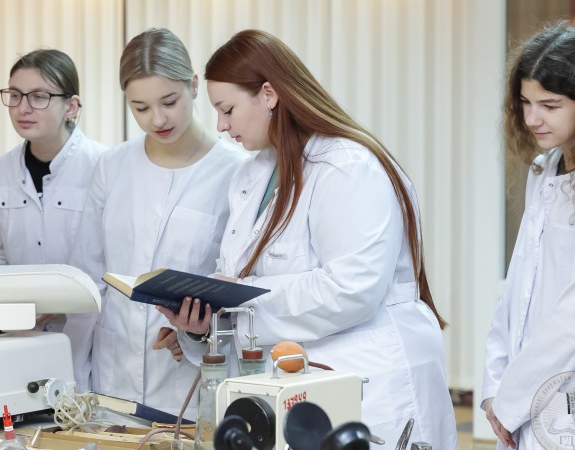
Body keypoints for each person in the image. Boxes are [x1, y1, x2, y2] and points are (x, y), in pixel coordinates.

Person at [161, 29, 458, 448]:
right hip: (292, 389)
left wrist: (238, 299)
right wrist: (201, 322)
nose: (221, 125)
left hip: (369, 379)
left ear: (269, 94)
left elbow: (352, 288)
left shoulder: (346, 166)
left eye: (227, 109)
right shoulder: (251, 176)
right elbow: (238, 279)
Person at [66, 28, 247, 418]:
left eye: (169, 102)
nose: (158, 119)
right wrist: (75, 384)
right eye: (141, 108)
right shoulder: (112, 166)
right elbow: (87, 280)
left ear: (194, 86)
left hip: (191, 381)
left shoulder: (237, 172)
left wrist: (198, 331)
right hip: (111, 379)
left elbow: (241, 284)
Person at [482, 22, 575, 449]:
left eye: (549, 105)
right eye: (525, 102)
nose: (532, 119)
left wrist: (513, 399)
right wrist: (495, 385)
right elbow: (517, 291)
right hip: (530, 387)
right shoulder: (544, 169)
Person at [0, 49, 107, 334]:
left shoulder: (103, 166)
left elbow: (116, 262)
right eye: (15, 95)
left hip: (88, 333)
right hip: (22, 332)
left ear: (71, 107)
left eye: (39, 97)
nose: (23, 108)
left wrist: (69, 300)